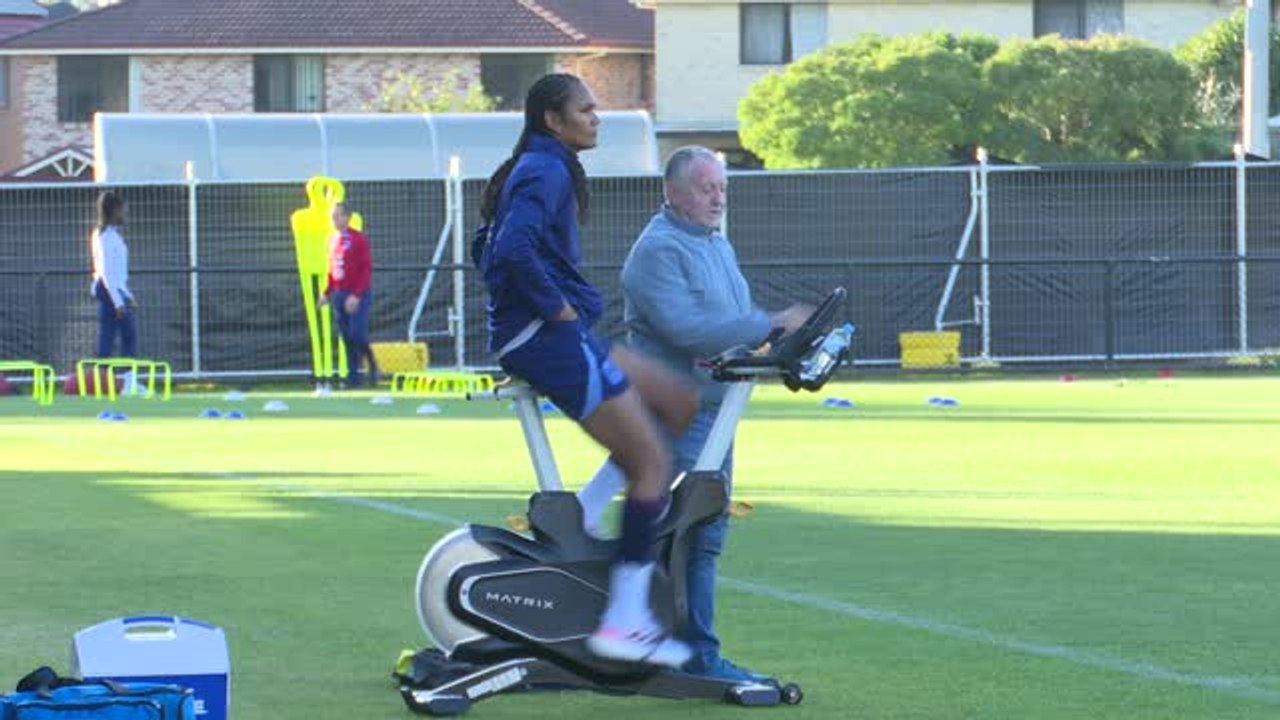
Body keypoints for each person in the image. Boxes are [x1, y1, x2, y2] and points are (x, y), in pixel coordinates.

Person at [475, 73, 699, 667]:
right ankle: (624, 623)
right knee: (653, 462)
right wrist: (554, 309)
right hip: (548, 338)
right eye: (586, 109)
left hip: (558, 333)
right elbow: (506, 251)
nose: (596, 117)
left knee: (677, 403)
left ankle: (591, 509)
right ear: (553, 118)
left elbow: (484, 242)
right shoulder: (543, 169)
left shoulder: (539, 166)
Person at [576, 146, 812, 682]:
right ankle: (688, 654)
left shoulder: (716, 246)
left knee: (700, 534)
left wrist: (770, 335)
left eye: (722, 187)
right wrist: (771, 322)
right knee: (689, 535)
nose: (718, 196)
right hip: (677, 414)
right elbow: (690, 329)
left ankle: (669, 644)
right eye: (707, 187)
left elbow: (730, 320)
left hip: (713, 411)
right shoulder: (658, 251)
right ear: (673, 191)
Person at [320, 202, 378, 387]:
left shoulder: (358, 239)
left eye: (338, 216)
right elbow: (333, 270)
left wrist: (356, 295)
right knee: (346, 336)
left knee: (356, 333)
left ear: (347, 217)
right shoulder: (331, 240)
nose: (335, 220)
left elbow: (365, 268)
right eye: (333, 216)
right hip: (339, 294)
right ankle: (354, 379)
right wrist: (326, 293)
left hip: (357, 294)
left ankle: (371, 362)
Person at [90, 190, 137, 358]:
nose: (125, 213)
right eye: (122, 209)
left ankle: (118, 378)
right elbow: (107, 272)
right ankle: (117, 378)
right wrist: (118, 302)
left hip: (114, 289)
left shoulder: (111, 234)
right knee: (124, 336)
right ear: (114, 210)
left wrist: (127, 293)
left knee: (112, 335)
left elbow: (117, 272)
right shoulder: (106, 236)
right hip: (109, 290)